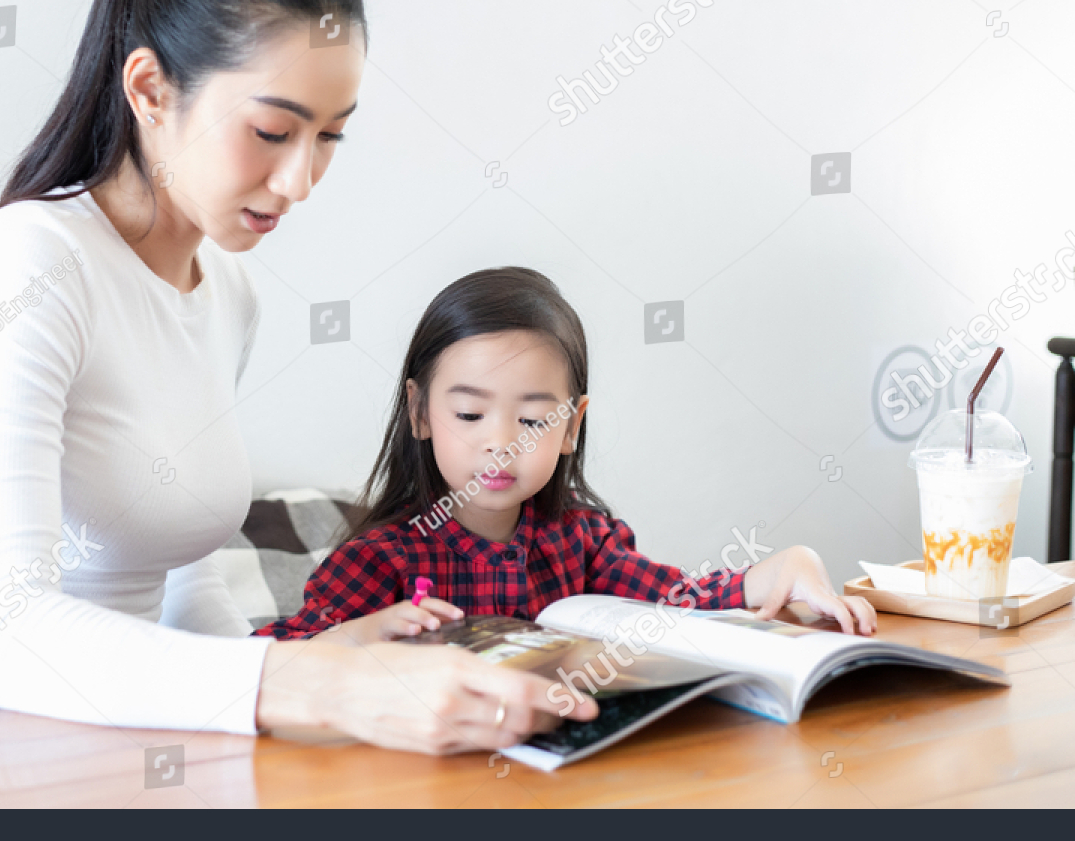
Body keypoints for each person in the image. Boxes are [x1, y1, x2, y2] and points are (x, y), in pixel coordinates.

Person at [0, 0, 591, 755]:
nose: (301, 179)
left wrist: (320, 652)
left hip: (121, 745)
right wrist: (312, 685)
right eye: (273, 130)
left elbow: (180, 589)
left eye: (329, 137)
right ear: (149, 90)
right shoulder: (22, 268)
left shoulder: (227, 292)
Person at [254, 267, 878, 643]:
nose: (502, 441)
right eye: (469, 414)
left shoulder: (584, 540)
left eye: (532, 419)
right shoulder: (377, 562)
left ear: (571, 425)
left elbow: (674, 601)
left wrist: (776, 571)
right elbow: (262, 662)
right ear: (420, 412)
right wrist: (349, 641)